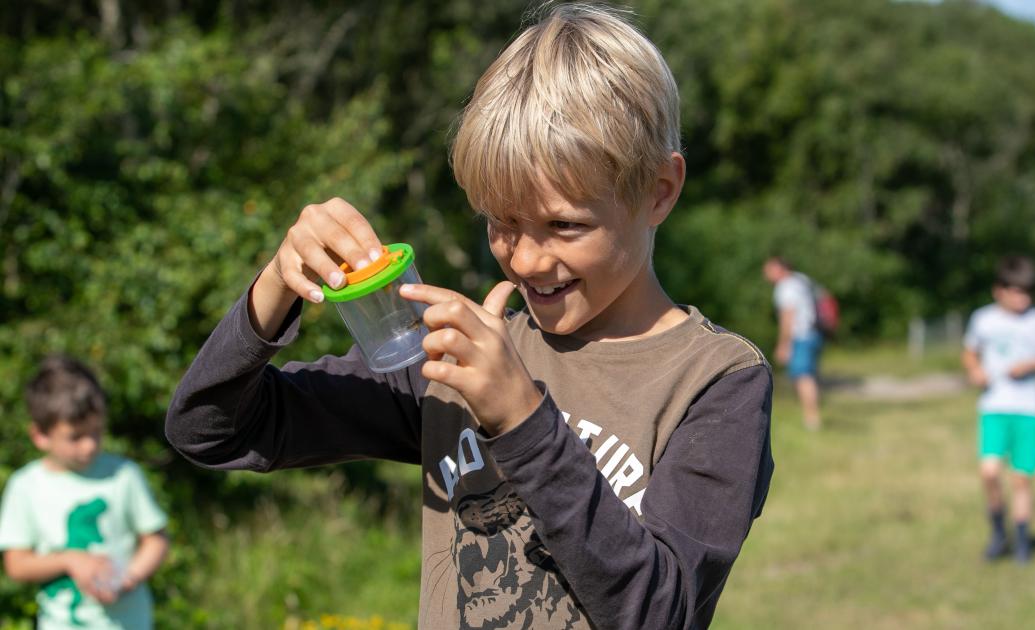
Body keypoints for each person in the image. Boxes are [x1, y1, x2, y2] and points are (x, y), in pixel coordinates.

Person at [165, 4, 773, 629]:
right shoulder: (449, 360)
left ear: (660, 191)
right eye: (501, 223)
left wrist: (522, 419)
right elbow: (208, 430)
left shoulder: (718, 382)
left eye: (565, 225)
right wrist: (275, 288)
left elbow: (659, 613)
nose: (528, 259)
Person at [0, 355, 170, 629]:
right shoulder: (25, 486)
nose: (89, 445)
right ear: (40, 436)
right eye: (76, 437)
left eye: (96, 432)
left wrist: (130, 577)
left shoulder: (123, 475)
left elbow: (156, 540)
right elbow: (16, 565)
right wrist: (69, 560)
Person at [962, 255, 1035, 564]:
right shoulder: (983, 319)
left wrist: (1032, 364)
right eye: (1017, 291)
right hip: (994, 407)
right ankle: (997, 531)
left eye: (1027, 291)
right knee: (989, 472)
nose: (1023, 298)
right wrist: (974, 371)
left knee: (1021, 479)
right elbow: (970, 352)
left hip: (1029, 408)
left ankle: (1021, 540)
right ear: (999, 290)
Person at [762, 256, 823, 430]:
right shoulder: (801, 279)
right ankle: (811, 415)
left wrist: (784, 343)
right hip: (814, 333)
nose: (766, 275)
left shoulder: (785, 287)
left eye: (769, 270)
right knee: (809, 375)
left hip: (800, 336)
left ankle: (812, 419)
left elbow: (788, 316)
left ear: (780, 268)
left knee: (803, 377)